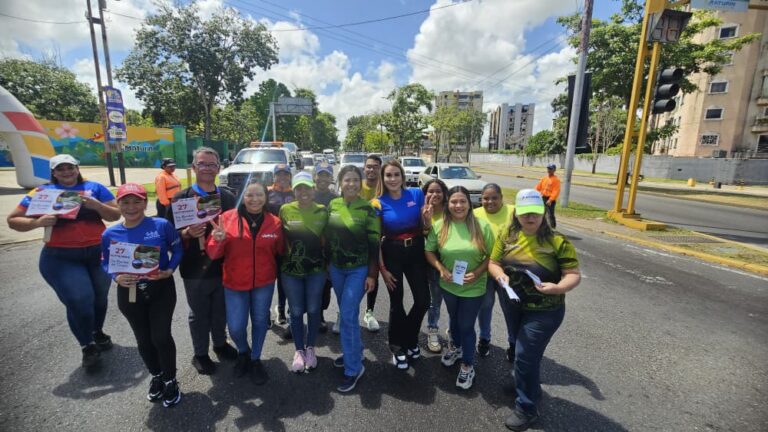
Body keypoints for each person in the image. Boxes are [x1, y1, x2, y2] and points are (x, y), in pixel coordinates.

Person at [7, 154, 121, 368]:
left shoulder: (95, 188)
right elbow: (13, 220)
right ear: (54, 172)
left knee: (99, 298)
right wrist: (37, 222)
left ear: (77, 169)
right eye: (61, 169)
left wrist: (96, 205)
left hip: (99, 253)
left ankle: (97, 331)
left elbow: (115, 215)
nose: (66, 172)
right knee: (80, 300)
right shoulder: (41, 192)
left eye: (70, 168)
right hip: (61, 257)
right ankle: (87, 346)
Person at [488, 189, 580, 431]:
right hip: (513, 303)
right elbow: (494, 263)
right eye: (525, 213)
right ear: (517, 213)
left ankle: (527, 407)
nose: (530, 218)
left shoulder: (557, 242)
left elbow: (573, 275)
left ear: (543, 213)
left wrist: (558, 287)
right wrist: (500, 277)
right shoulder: (507, 236)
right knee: (518, 348)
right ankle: (522, 380)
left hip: (545, 310)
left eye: (536, 213)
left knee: (526, 355)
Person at [101, 183, 183, 407]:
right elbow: (105, 262)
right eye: (125, 202)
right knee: (143, 339)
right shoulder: (110, 233)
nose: (131, 206)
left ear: (145, 202)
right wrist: (115, 277)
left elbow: (177, 249)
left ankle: (170, 380)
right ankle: (156, 376)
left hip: (160, 288)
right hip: (129, 293)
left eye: (137, 201)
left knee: (160, 337)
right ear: (118, 205)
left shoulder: (161, 225)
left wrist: (170, 269)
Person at [166, 147, 238, 376]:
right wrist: (186, 233)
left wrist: (227, 235)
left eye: (212, 164)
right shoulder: (180, 199)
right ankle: (200, 354)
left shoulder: (227, 197)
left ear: (219, 168)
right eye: (202, 164)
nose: (207, 168)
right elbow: (166, 237)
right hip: (194, 268)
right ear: (194, 167)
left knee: (220, 310)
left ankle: (219, 343)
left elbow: (239, 230)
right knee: (199, 313)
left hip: (224, 266)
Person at [206, 182, 284, 385]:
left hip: (264, 282)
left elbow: (281, 250)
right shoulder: (226, 219)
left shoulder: (274, 222)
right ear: (242, 196)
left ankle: (255, 359)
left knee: (259, 322)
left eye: (259, 195)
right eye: (249, 195)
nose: (255, 199)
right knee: (236, 326)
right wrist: (218, 240)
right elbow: (213, 254)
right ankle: (243, 351)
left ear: (266, 198)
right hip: (234, 283)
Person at [425, 186, 494, 390]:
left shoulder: (482, 226)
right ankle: (455, 348)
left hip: (474, 286)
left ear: (469, 204)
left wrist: (479, 272)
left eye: (462, 201)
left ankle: (468, 365)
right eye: (454, 202)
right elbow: (429, 251)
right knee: (454, 321)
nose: (458, 205)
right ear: (448, 204)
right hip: (449, 285)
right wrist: (440, 268)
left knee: (466, 325)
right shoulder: (440, 226)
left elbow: (492, 256)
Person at [325, 165, 380, 392]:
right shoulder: (333, 205)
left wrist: (372, 274)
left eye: (355, 180)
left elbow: (374, 244)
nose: (351, 184)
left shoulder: (368, 210)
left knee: (347, 315)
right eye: (347, 180)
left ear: (361, 183)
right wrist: (328, 265)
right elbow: (327, 236)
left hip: (358, 270)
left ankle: (353, 368)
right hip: (337, 269)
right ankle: (354, 353)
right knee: (348, 313)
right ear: (340, 182)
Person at [375, 160, 430, 370]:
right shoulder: (378, 203)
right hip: (392, 252)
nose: (392, 179)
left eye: (396, 174)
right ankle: (397, 346)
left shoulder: (416, 194)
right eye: (388, 175)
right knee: (396, 302)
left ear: (403, 176)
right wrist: (383, 270)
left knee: (423, 300)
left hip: (416, 250)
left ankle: (409, 337)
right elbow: (376, 239)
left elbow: (425, 227)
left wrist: (427, 219)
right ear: (383, 178)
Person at [280, 172, 329, 373]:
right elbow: (280, 239)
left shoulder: (322, 211)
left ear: (313, 189)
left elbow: (327, 240)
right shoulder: (285, 209)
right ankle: (299, 350)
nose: (303, 192)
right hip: (291, 271)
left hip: (316, 270)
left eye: (307, 188)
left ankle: (310, 348)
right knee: (297, 310)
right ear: (294, 190)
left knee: (314, 309)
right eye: (299, 188)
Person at [473, 184, 515, 358]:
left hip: (507, 272)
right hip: (484, 270)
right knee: (485, 306)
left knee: (510, 308)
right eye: (485, 198)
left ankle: (513, 343)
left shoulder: (513, 212)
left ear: (501, 197)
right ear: (481, 199)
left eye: (494, 198)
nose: (490, 201)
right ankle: (484, 338)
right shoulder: (475, 215)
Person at [421, 178, 448, 353]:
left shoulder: (452, 209)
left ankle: (454, 331)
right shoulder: (422, 211)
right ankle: (432, 330)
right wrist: (427, 219)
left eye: (438, 191)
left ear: (444, 193)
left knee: (456, 300)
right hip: (432, 261)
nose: (434, 194)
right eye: (430, 191)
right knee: (435, 300)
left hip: (454, 260)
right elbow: (423, 235)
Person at [312, 162, 337, 333]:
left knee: (325, 287)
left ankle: (320, 313)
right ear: (315, 177)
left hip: (328, 249)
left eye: (326, 175)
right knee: (309, 285)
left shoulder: (336, 199)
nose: (323, 178)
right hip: (309, 247)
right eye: (320, 174)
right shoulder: (307, 195)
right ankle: (301, 317)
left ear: (331, 178)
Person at [268, 164, 294, 328]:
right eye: (279, 174)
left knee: (285, 279)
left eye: (286, 174)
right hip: (269, 243)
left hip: (289, 243)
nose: (283, 177)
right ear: (274, 176)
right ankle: (265, 311)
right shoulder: (267, 191)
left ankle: (282, 308)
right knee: (268, 279)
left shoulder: (295, 193)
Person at [358, 154, 383, 333]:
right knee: (352, 275)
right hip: (356, 239)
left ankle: (369, 311)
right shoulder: (357, 186)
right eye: (369, 166)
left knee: (374, 275)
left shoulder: (385, 189)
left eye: (375, 166)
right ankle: (342, 312)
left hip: (379, 239)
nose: (371, 169)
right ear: (364, 168)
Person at [535, 164, 560, 228]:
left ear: (554, 170)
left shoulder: (556, 180)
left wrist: (550, 200)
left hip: (550, 200)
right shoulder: (544, 178)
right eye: (548, 169)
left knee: (550, 214)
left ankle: (553, 228)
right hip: (543, 198)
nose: (549, 170)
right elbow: (538, 187)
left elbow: (556, 191)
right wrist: (534, 193)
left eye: (550, 169)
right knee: (541, 213)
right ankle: (541, 227)